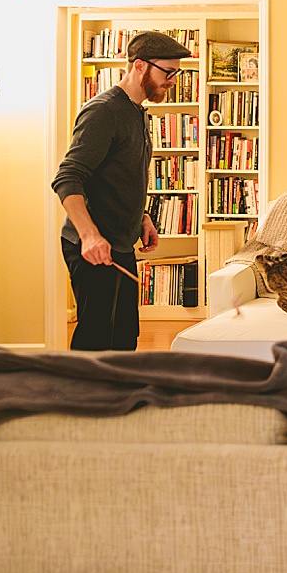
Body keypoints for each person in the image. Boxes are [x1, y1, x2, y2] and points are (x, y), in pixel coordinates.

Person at [51, 30, 191, 350]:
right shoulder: (104, 111)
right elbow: (68, 177)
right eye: (167, 72)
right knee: (96, 343)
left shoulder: (137, 112)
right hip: (94, 247)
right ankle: (82, 400)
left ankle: (120, 400)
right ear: (139, 66)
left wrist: (141, 217)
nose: (173, 80)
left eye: (176, 73)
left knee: (124, 340)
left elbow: (116, 176)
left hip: (120, 245)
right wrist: (89, 235)